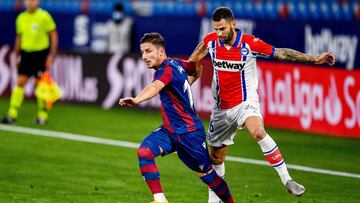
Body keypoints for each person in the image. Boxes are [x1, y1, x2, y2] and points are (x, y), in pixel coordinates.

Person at [188, 7, 336, 203]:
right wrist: (186, 75)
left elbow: (282, 53)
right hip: (221, 109)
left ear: (233, 23)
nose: (219, 34)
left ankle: (287, 180)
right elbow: (194, 58)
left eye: (222, 29)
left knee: (257, 131)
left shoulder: (250, 44)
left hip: (245, 102)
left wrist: (314, 59)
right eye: (216, 29)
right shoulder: (211, 41)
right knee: (216, 159)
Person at [119, 32, 235, 203]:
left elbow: (154, 87)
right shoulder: (177, 63)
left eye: (148, 51)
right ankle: (160, 200)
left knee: (208, 176)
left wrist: (137, 99)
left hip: (190, 134)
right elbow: (197, 69)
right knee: (144, 151)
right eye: (142, 52)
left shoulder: (166, 69)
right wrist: (185, 84)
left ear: (161, 51)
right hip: (169, 131)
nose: (144, 56)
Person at [1, 0, 58, 125]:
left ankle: (42, 115)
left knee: (40, 85)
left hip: (40, 54)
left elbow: (53, 34)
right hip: (26, 54)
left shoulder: (44, 16)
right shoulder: (21, 18)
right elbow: (19, 37)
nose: (31, 2)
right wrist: (17, 56)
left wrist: (51, 55)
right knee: (20, 82)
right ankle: (12, 114)